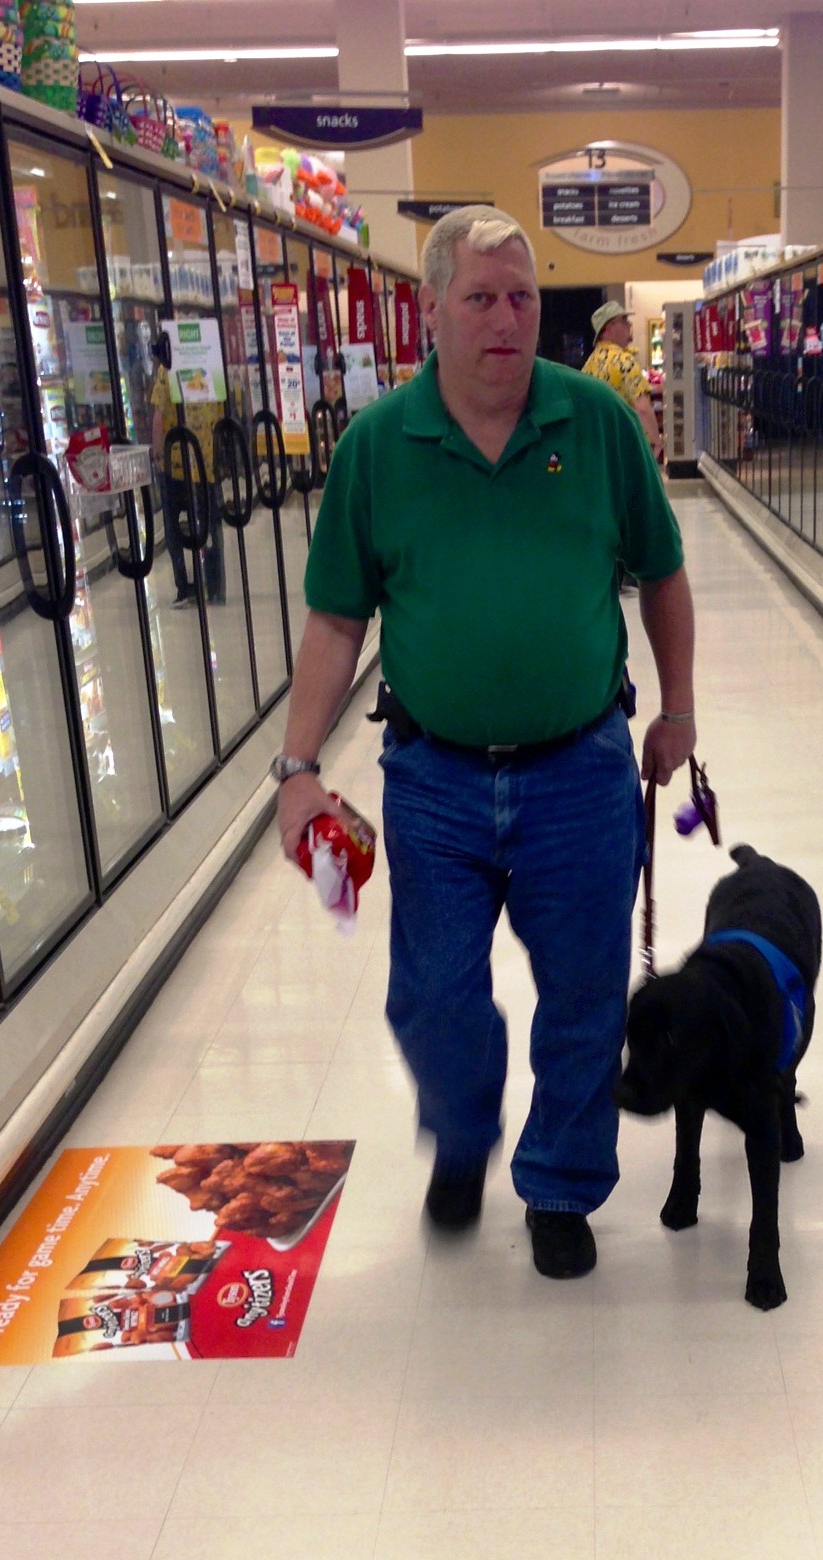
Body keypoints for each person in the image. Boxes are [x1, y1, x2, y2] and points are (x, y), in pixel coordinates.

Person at [274, 206, 695, 1280]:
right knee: (436, 991)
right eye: (481, 298)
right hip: (433, 778)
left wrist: (678, 707)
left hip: (583, 769)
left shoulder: (596, 423)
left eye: (521, 297)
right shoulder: (379, 445)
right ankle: (462, 1137)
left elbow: (664, 572)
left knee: (586, 989)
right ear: (430, 311)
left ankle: (559, 1182)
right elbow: (334, 619)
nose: (506, 318)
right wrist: (298, 767)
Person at [150, 363, 227, 608]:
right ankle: (214, 587)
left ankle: (185, 586)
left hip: (177, 463)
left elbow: (159, 415)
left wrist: (158, 456)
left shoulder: (167, 369)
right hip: (205, 462)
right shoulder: (209, 362)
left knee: (174, 525)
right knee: (210, 524)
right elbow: (222, 416)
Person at [581, 299, 663, 458]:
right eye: (624, 321)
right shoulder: (624, 361)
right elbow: (643, 408)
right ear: (608, 328)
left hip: (597, 449)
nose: (629, 325)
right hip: (627, 448)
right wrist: (657, 441)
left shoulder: (589, 364)